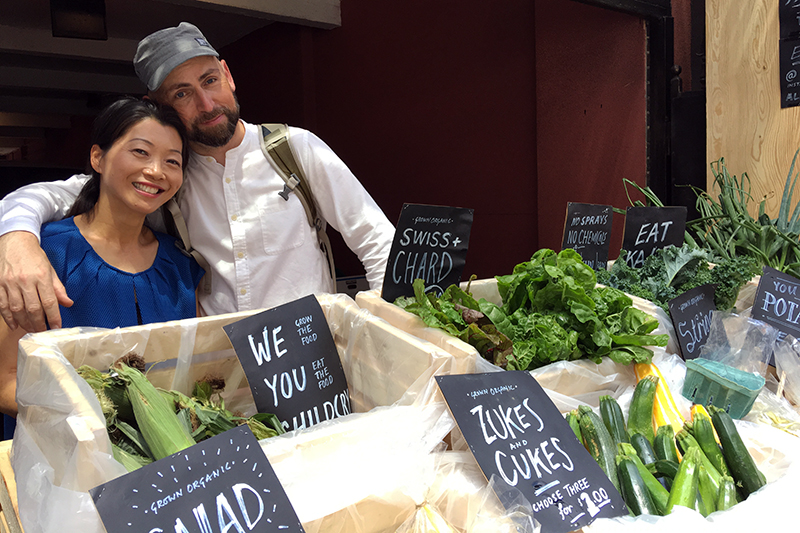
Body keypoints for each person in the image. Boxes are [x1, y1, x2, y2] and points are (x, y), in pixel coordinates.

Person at [0, 22, 395, 333]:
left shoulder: (295, 149)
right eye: (182, 94)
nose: (207, 104)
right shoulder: (166, 177)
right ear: (157, 106)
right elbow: (62, 193)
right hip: (224, 373)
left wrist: (383, 331)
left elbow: (379, 241)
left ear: (227, 74)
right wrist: (16, 238)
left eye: (210, 81)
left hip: (314, 354)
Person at [0, 96, 205, 418]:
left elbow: (187, 371)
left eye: (172, 161)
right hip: (62, 452)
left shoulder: (180, 265)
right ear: (98, 157)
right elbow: (7, 381)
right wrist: (97, 426)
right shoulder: (45, 254)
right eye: (140, 152)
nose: (155, 171)